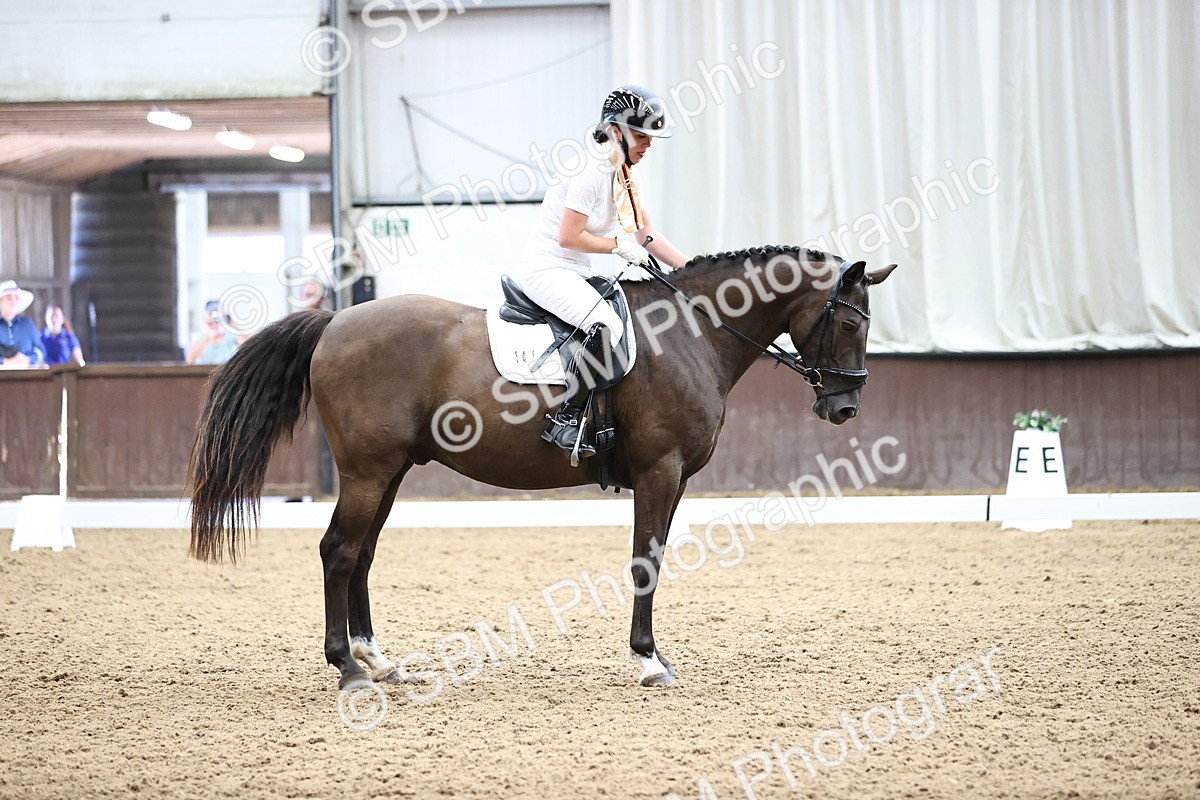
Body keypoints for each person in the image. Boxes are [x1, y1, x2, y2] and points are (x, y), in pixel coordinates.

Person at [515, 85, 690, 456]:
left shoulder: (626, 173)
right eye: (641, 136)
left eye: (650, 138)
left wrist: (690, 270)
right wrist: (616, 246)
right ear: (616, 131)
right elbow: (568, 236)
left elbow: (646, 234)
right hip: (546, 268)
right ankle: (566, 421)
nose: (647, 145)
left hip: (576, 270)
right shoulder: (587, 170)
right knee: (607, 325)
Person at [0, 280, 45, 368]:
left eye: (16, 298)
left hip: (27, 376)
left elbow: (41, 351)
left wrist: (29, 359)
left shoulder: (27, 324)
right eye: (9, 298)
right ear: (1, 301)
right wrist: (4, 361)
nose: (13, 302)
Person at [185, 300, 238, 365]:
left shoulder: (229, 336)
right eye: (211, 314)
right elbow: (190, 360)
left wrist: (231, 321)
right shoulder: (198, 337)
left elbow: (248, 345)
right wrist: (208, 335)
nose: (214, 319)